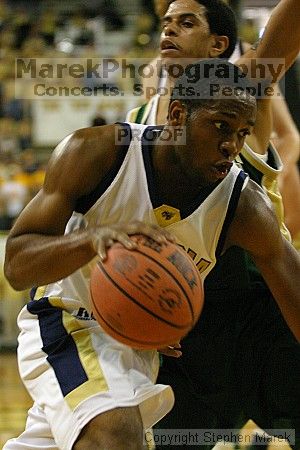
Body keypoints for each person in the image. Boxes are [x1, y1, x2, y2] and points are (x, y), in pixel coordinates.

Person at [125, 0, 300, 448]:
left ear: (218, 44)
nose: (170, 30)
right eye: (166, 23)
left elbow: (284, 32)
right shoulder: (139, 121)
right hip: (186, 321)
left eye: (187, 23)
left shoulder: (244, 92)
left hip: (264, 305)